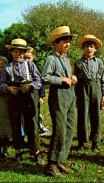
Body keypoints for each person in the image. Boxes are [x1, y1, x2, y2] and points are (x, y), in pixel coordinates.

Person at [0, 38, 43, 164]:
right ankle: (17, 152)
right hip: (14, 97)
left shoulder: (30, 65)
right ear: (11, 52)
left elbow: (39, 81)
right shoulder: (7, 67)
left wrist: (31, 86)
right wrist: (8, 88)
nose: (18, 54)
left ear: (24, 53)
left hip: (29, 96)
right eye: (15, 51)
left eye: (21, 52)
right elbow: (1, 84)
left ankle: (36, 152)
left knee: (32, 124)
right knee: (16, 123)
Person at [41, 26, 77, 177]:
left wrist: (73, 78)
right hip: (58, 96)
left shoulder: (67, 59)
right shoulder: (51, 59)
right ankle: (51, 164)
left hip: (70, 95)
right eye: (64, 41)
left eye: (69, 42)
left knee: (69, 129)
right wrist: (61, 79)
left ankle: (60, 160)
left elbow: (69, 77)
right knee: (60, 130)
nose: (67, 44)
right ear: (55, 43)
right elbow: (44, 77)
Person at [74, 34, 104, 153]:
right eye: (87, 46)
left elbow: (103, 78)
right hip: (83, 89)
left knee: (96, 116)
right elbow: (75, 80)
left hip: (96, 88)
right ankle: (81, 142)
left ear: (95, 48)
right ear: (83, 48)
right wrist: (76, 95)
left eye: (91, 46)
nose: (89, 49)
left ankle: (95, 142)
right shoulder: (78, 62)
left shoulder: (99, 62)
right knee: (82, 115)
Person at [24, 47, 51, 137]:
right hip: (24, 94)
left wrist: (41, 96)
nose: (27, 60)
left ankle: (40, 128)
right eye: (25, 58)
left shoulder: (37, 68)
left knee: (35, 114)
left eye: (29, 58)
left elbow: (41, 84)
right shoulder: (20, 68)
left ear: (33, 57)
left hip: (35, 94)